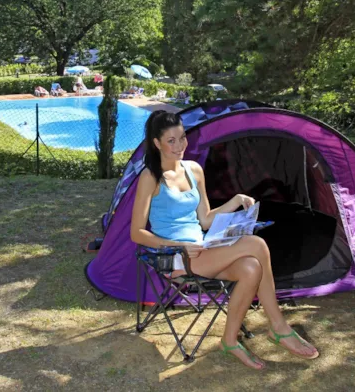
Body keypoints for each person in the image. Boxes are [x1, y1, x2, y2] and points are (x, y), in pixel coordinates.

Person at [131, 111, 319, 370]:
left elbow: (206, 220)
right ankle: (278, 326)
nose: (180, 146)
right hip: (175, 257)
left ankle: (230, 341)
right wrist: (177, 245)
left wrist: (235, 201)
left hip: (204, 251)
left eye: (182, 138)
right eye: (171, 141)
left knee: (251, 267)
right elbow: (136, 233)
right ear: (156, 143)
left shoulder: (194, 170)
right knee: (257, 245)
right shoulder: (151, 178)